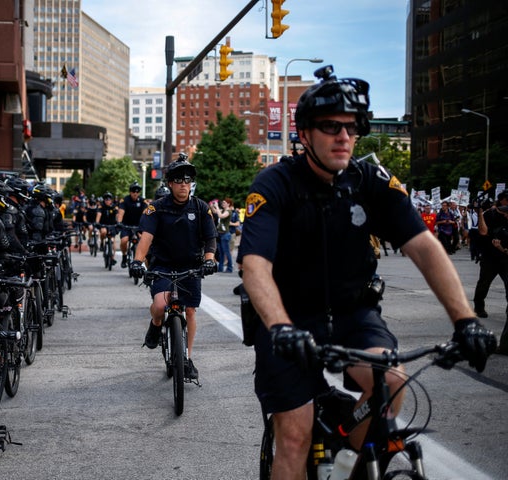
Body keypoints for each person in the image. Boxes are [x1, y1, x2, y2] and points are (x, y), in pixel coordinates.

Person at [237, 67, 495, 478]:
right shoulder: (274, 183)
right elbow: (255, 266)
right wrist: (281, 327)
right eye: (330, 126)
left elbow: (425, 247)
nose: (344, 136)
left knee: (392, 383)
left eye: (353, 127)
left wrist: (465, 320)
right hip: (288, 322)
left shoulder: (372, 180)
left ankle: (349, 463)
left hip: (354, 315)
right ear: (304, 134)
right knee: (293, 437)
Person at [130, 155, 218, 380]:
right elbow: (146, 238)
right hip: (163, 266)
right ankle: (156, 323)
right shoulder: (156, 208)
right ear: (170, 183)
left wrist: (209, 259)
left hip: (191, 267)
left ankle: (186, 357)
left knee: (190, 310)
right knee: (160, 305)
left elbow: (210, 238)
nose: (183, 184)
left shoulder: (201, 208)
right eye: (178, 180)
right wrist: (138, 261)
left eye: (187, 180)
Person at [473, 192, 508, 354]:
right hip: (490, 257)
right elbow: (482, 232)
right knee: (484, 283)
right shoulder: (489, 214)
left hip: (506, 256)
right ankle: (479, 305)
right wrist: (480, 214)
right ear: (501, 200)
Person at [116, 181, 147, 268]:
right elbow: (121, 213)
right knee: (124, 241)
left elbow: (146, 213)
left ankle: (139, 260)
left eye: (137, 191)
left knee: (143, 240)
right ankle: (124, 256)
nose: (135, 193)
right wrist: (119, 222)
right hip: (126, 226)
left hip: (139, 227)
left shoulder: (142, 201)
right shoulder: (125, 200)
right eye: (133, 191)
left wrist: (146, 223)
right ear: (130, 192)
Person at [96, 192, 119, 265]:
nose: (107, 201)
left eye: (109, 199)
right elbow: (98, 215)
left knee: (113, 241)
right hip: (103, 225)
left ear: (111, 200)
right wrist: (97, 222)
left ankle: (112, 258)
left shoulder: (114, 207)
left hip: (112, 225)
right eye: (106, 199)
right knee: (103, 232)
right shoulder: (101, 207)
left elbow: (118, 215)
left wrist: (119, 223)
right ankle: (102, 243)